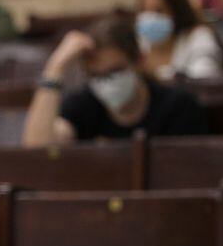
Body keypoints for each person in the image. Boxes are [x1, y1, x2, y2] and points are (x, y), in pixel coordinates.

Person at [22, 15, 208, 147]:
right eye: (96, 76)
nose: (108, 83)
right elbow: (37, 148)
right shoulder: (83, 105)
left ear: (138, 62)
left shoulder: (178, 107)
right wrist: (55, 67)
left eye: (115, 71)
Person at [137, 0, 223, 80]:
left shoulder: (199, 38)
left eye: (159, 11)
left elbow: (204, 80)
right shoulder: (138, 42)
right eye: (144, 10)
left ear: (177, 13)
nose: (150, 18)